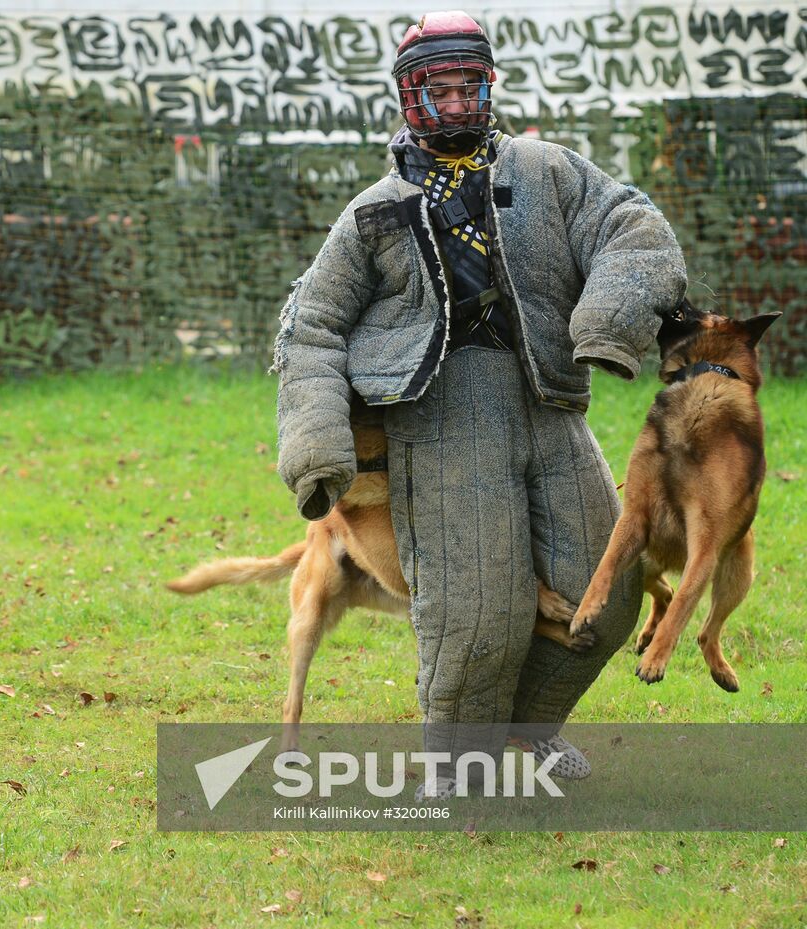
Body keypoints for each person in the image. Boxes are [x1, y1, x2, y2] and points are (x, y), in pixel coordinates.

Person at [272, 12, 686, 797]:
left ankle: (529, 732)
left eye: (471, 86)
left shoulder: (547, 169)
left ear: (488, 85)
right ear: (409, 95)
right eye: (442, 89)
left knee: (614, 584)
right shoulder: (373, 211)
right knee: (477, 613)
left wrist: (605, 323)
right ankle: (461, 770)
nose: (460, 103)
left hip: (549, 404)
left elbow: (634, 225)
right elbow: (311, 327)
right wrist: (318, 447)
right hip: (440, 422)